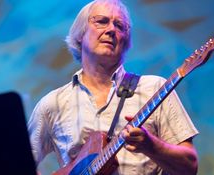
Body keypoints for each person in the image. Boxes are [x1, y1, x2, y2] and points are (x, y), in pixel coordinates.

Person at [27, 0, 199, 174]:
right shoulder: (53, 103)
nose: (111, 30)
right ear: (80, 34)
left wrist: (151, 146)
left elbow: (190, 167)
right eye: (101, 21)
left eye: (119, 26)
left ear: (125, 41)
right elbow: (17, 164)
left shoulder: (155, 88)